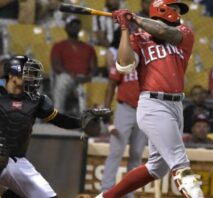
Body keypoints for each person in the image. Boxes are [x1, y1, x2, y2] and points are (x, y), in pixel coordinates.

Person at [96, 0, 204, 197]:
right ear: (162, 9)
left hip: (175, 106)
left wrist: (136, 18)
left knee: (157, 168)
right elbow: (125, 65)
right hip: (153, 105)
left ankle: (105, 197)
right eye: (175, 8)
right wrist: (124, 29)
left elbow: (164, 32)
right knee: (181, 166)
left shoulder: (184, 33)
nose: (178, 13)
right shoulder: (138, 38)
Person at [0, 55, 110, 198]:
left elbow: (59, 120)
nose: (32, 78)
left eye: (33, 74)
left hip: (16, 160)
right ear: (12, 76)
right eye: (27, 74)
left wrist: (81, 121)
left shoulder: (35, 100)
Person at [101, 43, 147, 198]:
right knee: (116, 151)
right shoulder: (123, 58)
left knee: (136, 153)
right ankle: (107, 189)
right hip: (125, 109)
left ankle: (129, 192)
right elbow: (111, 84)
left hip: (145, 111)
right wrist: (106, 108)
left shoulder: (150, 60)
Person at [51, 15, 98, 115]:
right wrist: (71, 75)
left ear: (80, 27)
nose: (74, 27)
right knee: (61, 80)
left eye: (76, 25)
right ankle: (58, 116)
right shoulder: (59, 46)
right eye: (71, 25)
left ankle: (87, 120)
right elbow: (56, 66)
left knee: (98, 82)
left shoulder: (88, 48)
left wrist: (87, 77)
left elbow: (94, 68)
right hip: (68, 77)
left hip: (84, 78)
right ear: (66, 27)